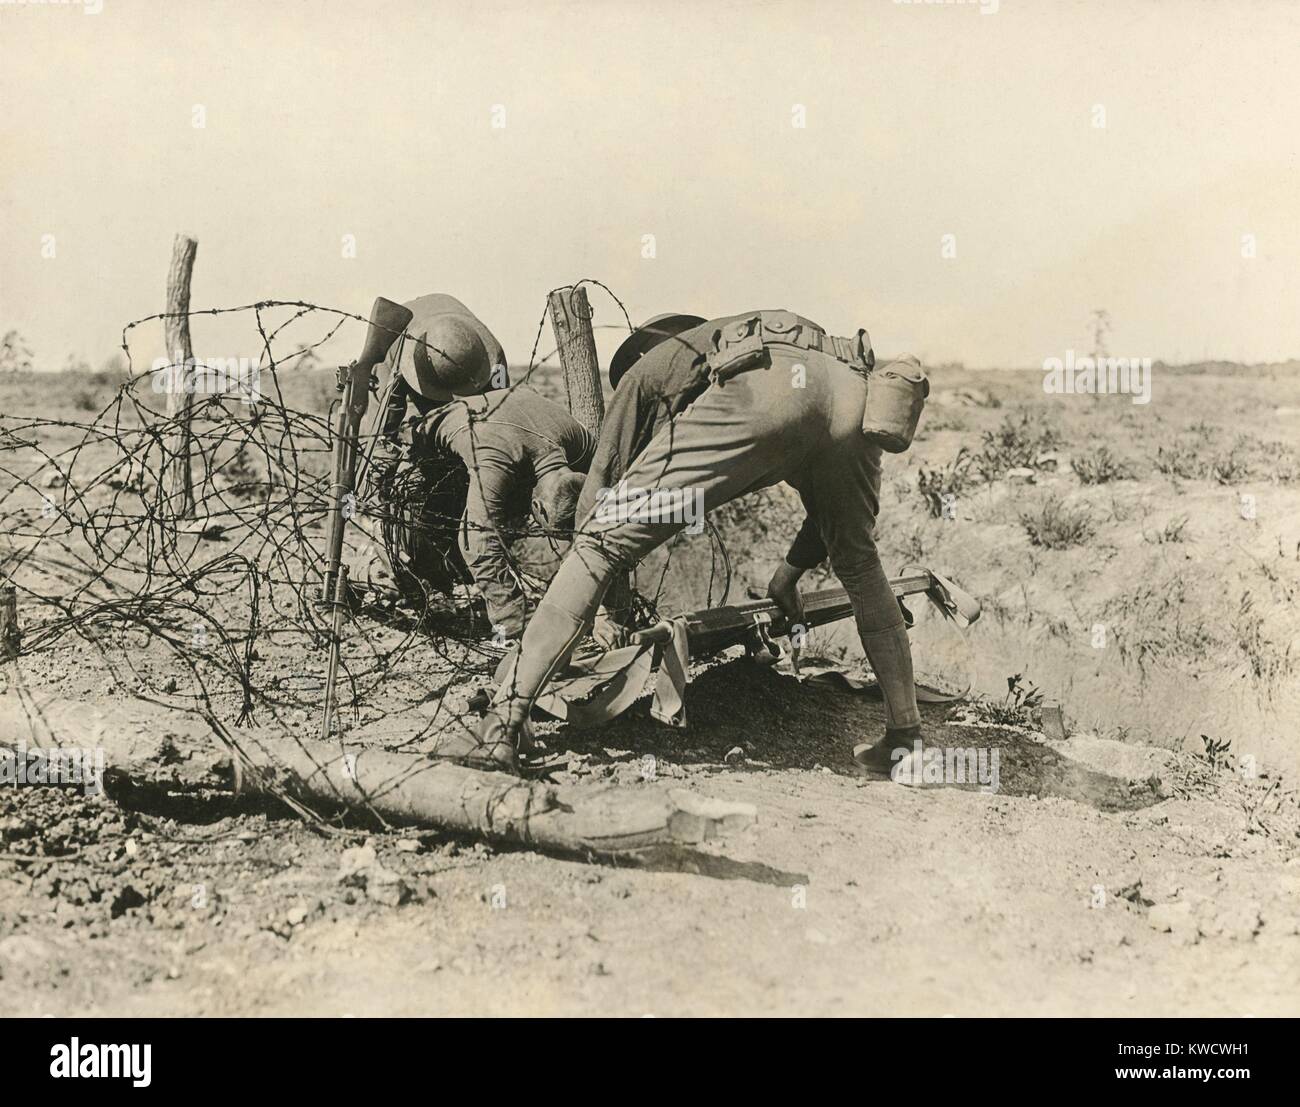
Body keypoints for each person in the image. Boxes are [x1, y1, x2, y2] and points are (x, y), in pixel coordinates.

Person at [472, 308, 924, 772]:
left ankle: (500, 725)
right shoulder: (742, 339)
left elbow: (596, 513)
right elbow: (833, 523)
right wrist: (787, 577)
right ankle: (903, 737)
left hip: (769, 389)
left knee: (595, 544)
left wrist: (610, 617)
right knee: (862, 566)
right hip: (853, 389)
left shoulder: (648, 374)